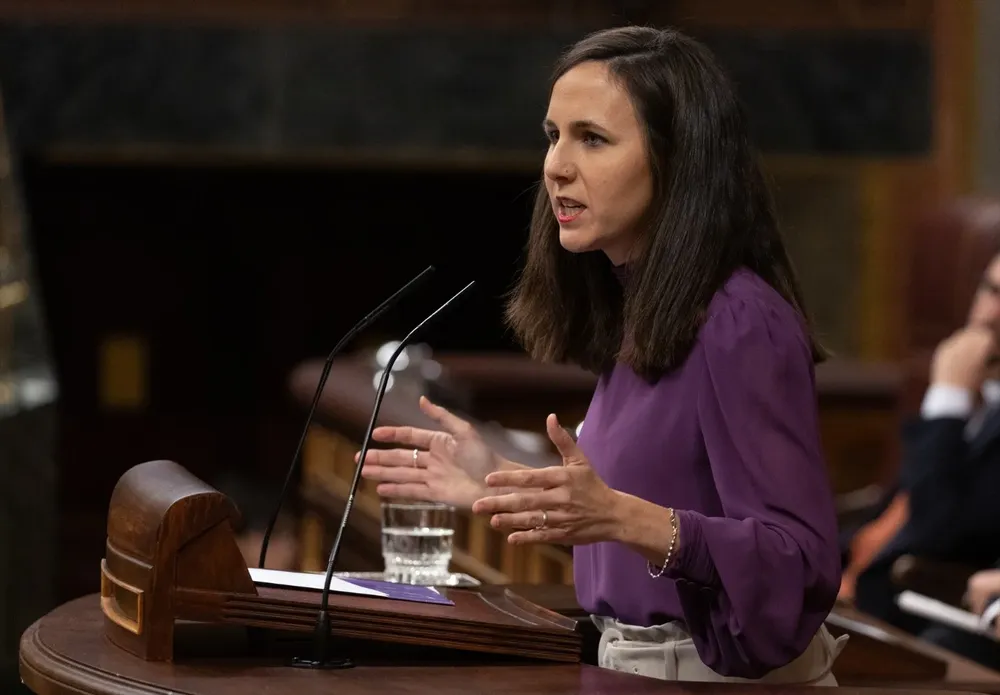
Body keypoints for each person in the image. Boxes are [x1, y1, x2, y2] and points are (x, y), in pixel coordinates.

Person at [359, 26, 844, 684]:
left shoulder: (739, 323)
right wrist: (498, 481)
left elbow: (798, 563)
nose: (556, 166)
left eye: (592, 138)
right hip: (627, 666)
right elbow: (639, 517)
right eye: (552, 135)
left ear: (677, 160)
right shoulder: (640, 309)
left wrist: (620, 515)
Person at [846, 253, 1000, 669]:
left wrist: (947, 402)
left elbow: (935, 531)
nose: (991, 315)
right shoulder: (976, 400)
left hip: (911, 604)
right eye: (990, 290)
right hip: (856, 584)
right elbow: (890, 513)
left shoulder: (952, 399)